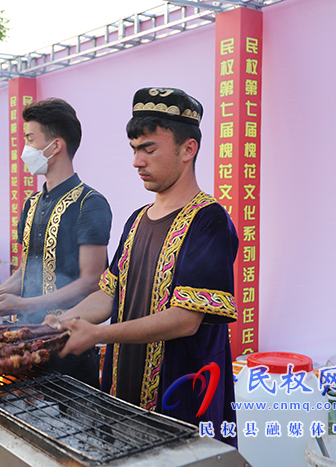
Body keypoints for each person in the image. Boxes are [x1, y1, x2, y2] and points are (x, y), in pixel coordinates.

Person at [45, 88, 238, 446]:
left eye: (148, 149)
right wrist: (66, 319)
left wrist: (99, 335)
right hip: (122, 385)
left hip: (182, 394)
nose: (137, 161)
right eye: (135, 149)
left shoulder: (209, 221)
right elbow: (108, 294)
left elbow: (185, 318)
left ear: (187, 149)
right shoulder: (137, 220)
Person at [0, 98, 112, 388]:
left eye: (30, 138)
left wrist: (25, 304)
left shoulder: (90, 203)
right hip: (24, 340)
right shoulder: (33, 202)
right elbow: (28, 269)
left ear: (56, 145)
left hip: (67, 344)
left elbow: (92, 281)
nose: (24, 149)